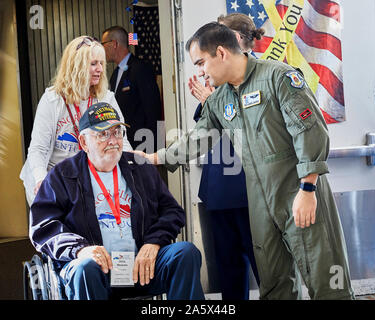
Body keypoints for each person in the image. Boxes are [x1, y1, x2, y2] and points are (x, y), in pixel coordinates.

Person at [136, 22, 355, 300]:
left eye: (201, 62)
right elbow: (197, 139)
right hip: (260, 204)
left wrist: (308, 189)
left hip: (298, 193)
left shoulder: (278, 77)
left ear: (221, 53)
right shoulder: (220, 100)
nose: (199, 71)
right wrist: (155, 156)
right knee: (274, 286)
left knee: (328, 283)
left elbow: (310, 131)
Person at [29, 102, 205, 300]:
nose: (112, 140)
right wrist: (80, 249)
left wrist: (153, 243)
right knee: (85, 267)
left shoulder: (139, 166)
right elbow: (43, 226)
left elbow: (172, 211)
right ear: (84, 142)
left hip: (141, 266)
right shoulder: (62, 175)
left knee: (185, 253)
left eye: (117, 132)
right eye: (103, 134)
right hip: (96, 271)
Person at [187, 13, 263, 300]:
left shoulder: (263, 75)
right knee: (228, 273)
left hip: (249, 190)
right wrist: (208, 102)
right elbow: (205, 130)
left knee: (266, 270)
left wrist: (211, 101)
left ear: (237, 39)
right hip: (218, 190)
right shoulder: (216, 76)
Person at [20, 36, 132, 206]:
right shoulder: (52, 100)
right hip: (52, 178)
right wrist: (40, 180)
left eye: (101, 63)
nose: (100, 69)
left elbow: (121, 142)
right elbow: (38, 149)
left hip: (87, 179)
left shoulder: (106, 99)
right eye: (94, 64)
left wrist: (132, 171)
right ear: (76, 65)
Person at [101, 26, 162, 152]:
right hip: (124, 143)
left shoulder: (140, 69)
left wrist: (152, 147)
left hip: (142, 144)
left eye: (104, 44)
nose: (102, 48)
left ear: (114, 44)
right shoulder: (115, 74)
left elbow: (152, 109)